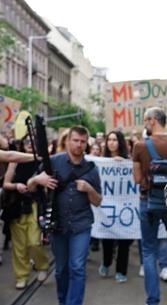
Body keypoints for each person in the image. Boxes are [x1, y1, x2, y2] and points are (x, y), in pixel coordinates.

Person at [27, 126, 102, 305]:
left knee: (77, 267)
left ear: (87, 144)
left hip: (81, 225)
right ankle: (63, 301)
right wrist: (38, 180)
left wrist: (89, 188)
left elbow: (98, 201)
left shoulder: (91, 168)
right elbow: (30, 185)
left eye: (83, 141)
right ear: (67, 141)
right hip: (57, 224)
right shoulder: (52, 162)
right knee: (61, 270)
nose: (79, 144)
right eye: (75, 140)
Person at [132, 107, 167, 305]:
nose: (145, 123)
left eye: (146, 119)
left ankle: (153, 300)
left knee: (149, 251)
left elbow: (138, 178)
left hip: (147, 202)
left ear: (154, 120)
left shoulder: (140, 146)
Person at [2, 136, 49, 289]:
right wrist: (16, 186)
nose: (30, 144)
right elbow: (6, 184)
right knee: (19, 245)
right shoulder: (15, 160)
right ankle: (21, 276)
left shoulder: (41, 162)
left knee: (34, 241)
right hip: (16, 206)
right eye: (27, 142)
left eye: (34, 142)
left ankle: (42, 266)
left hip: (35, 204)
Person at [97, 131, 134, 283]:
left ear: (120, 142)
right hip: (107, 207)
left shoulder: (128, 161)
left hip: (125, 206)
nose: (111, 142)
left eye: (115, 139)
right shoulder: (101, 161)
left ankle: (121, 270)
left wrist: (124, 163)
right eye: (109, 140)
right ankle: (106, 263)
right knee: (107, 239)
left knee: (124, 240)